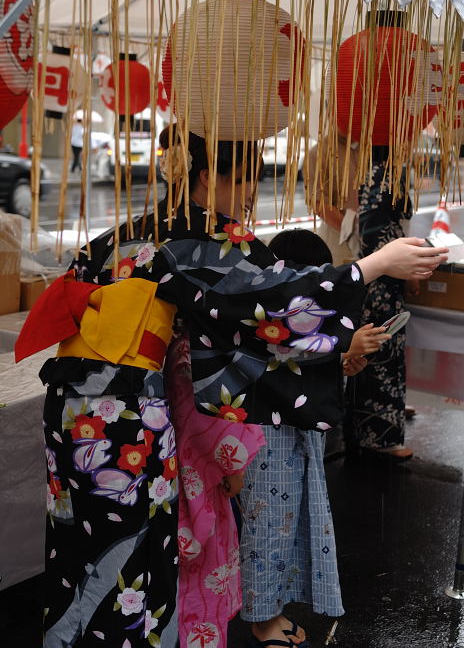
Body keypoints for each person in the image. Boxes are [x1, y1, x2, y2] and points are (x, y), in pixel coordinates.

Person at [15, 126, 447, 648]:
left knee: (78, 548)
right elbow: (278, 303)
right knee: (135, 558)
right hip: (126, 414)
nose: (249, 192)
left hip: (70, 405)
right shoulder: (201, 240)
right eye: (244, 179)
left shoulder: (130, 232)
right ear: (206, 177)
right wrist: (373, 265)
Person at [236, 228, 389, 648]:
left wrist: (341, 362)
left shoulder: (295, 311)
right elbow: (276, 353)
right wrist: (340, 348)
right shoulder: (268, 309)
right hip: (265, 431)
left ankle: (273, 610)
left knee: (288, 524)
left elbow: (300, 358)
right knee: (266, 527)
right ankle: (263, 619)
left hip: (292, 430)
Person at [344, 147, 420, 463]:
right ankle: (381, 435)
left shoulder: (369, 169)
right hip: (384, 274)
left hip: (375, 270)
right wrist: (407, 268)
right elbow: (384, 230)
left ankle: (368, 428)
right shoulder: (386, 172)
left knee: (374, 349)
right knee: (382, 350)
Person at [304, 134, 360, 265]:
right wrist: (352, 233)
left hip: (370, 233)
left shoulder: (370, 148)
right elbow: (319, 204)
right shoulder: (319, 152)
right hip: (339, 238)